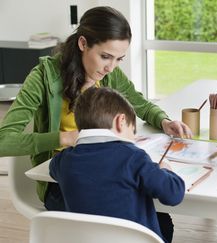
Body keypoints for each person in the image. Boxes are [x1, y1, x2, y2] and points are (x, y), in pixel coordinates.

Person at [0, 6, 191, 242]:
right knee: (141, 215)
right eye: (105, 56)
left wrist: (163, 120)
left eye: (119, 59)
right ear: (83, 43)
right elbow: (3, 142)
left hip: (105, 164)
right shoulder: (43, 77)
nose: (111, 67)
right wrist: (64, 138)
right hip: (63, 179)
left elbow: (138, 102)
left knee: (161, 220)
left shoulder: (109, 75)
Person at [49, 87, 185, 242]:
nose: (133, 138)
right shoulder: (133, 158)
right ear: (121, 122)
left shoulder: (65, 160)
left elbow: (53, 167)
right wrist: (165, 169)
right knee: (165, 225)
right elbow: (174, 194)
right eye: (133, 131)